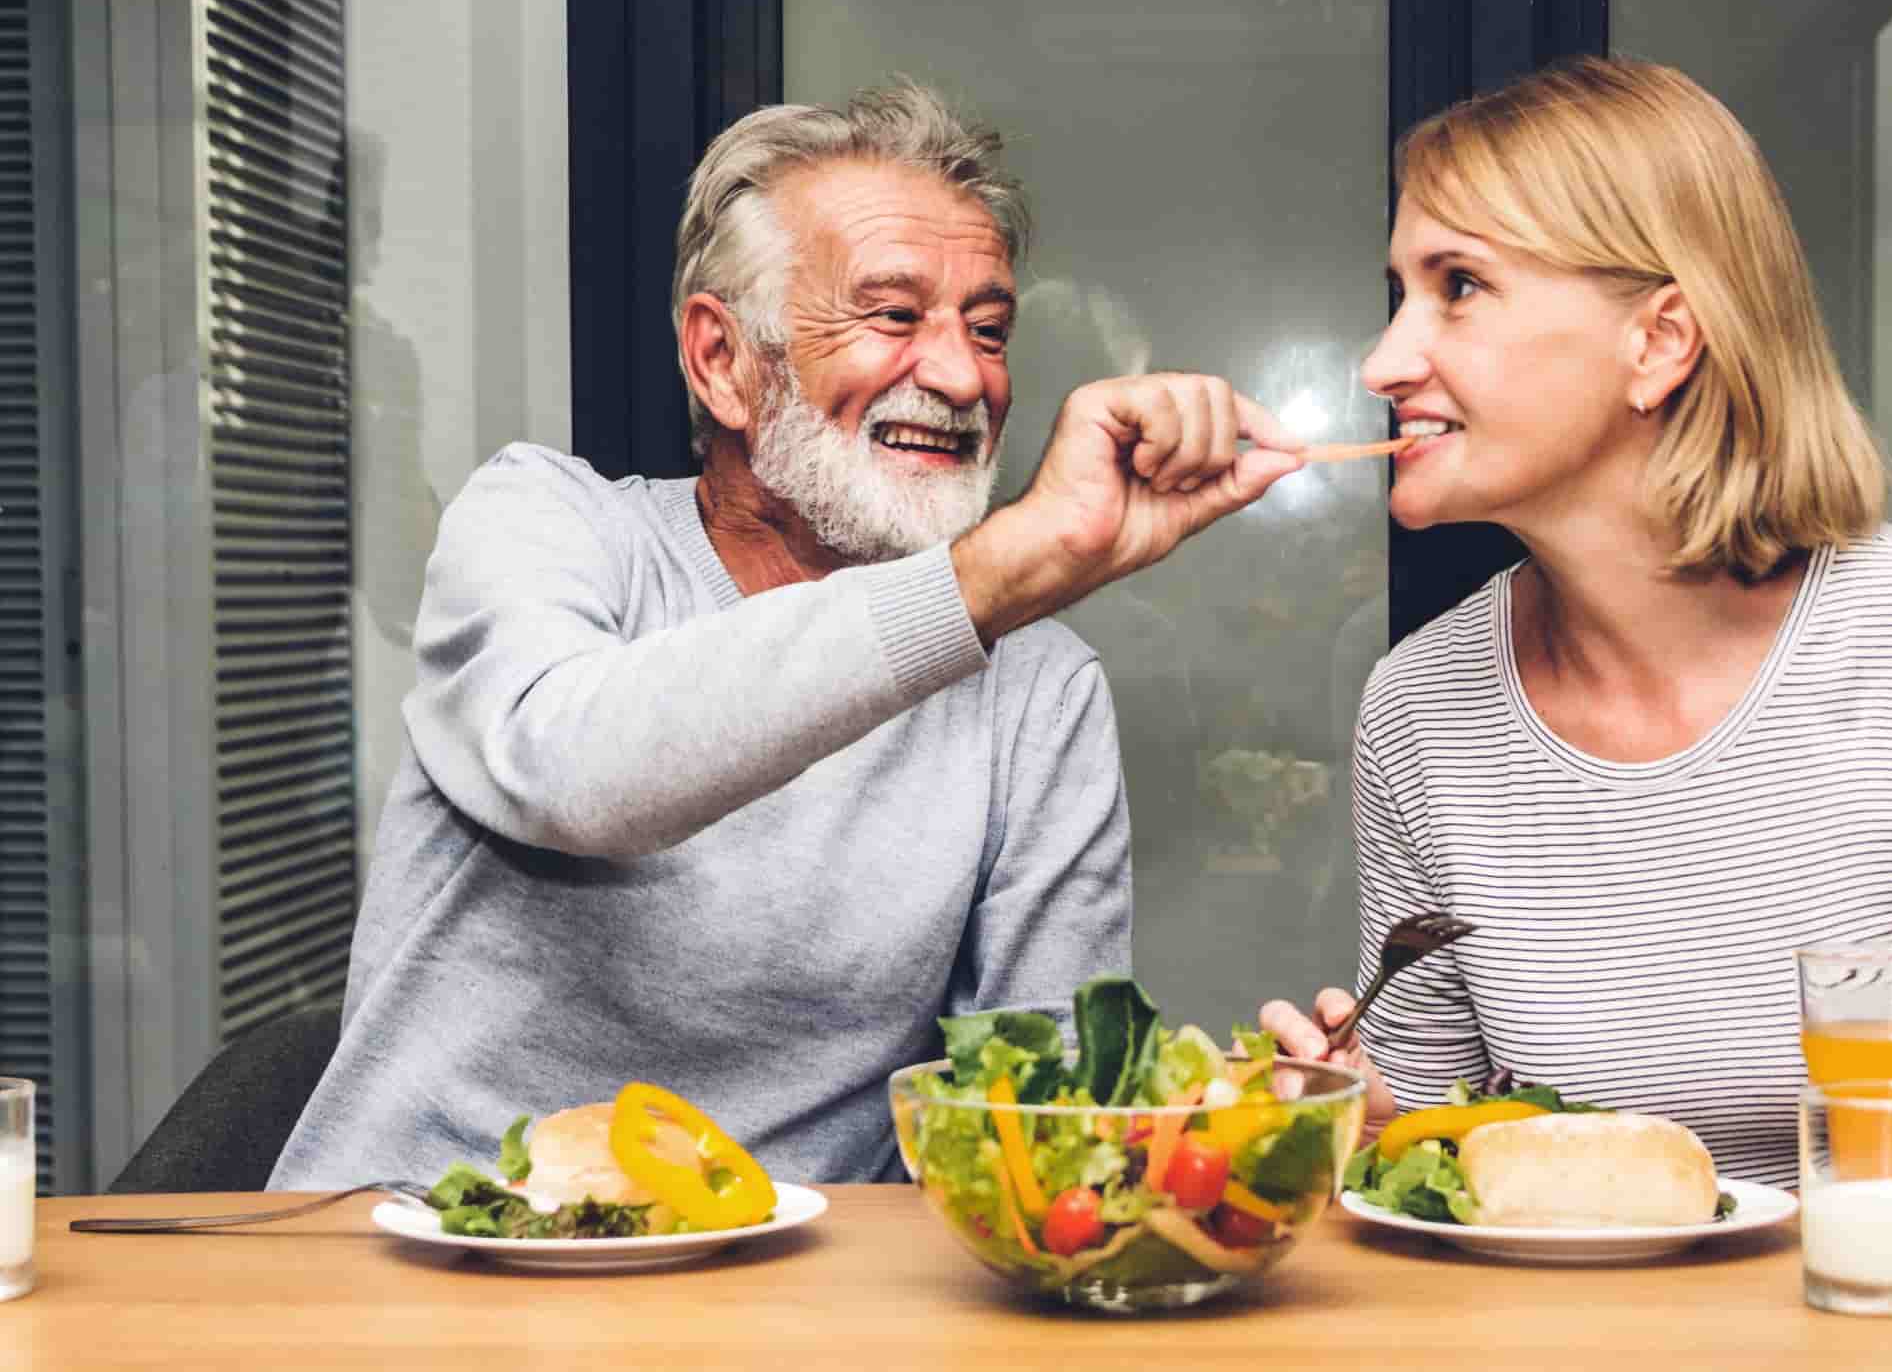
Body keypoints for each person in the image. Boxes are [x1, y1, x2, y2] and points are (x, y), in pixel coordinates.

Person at [271, 80, 1305, 1189]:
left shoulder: (1038, 688)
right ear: (722, 360)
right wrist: (1005, 568)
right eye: (894, 316)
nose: (962, 376)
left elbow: (1038, 1124)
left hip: (791, 1307)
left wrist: (1217, 1125)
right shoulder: (544, 521)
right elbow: (572, 771)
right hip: (414, 1274)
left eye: (990, 329)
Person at [1260, 57, 1892, 1208]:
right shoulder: (1419, 705)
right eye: (1399, 291)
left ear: (1659, 340)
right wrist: (1373, 1123)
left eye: (1458, 287)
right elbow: (1445, 1158)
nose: (1384, 361)